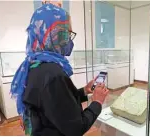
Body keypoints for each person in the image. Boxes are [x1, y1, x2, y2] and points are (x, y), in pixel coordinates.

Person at [10, 1, 109, 136]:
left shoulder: (33, 65)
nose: (69, 40)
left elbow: (56, 104)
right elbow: (75, 128)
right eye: (65, 34)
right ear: (52, 35)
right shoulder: (53, 74)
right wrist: (97, 102)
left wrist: (84, 91)